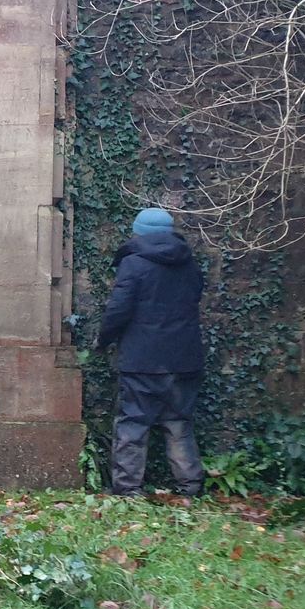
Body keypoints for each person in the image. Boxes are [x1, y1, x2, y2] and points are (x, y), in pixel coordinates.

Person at [96, 207, 207, 497]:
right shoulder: (190, 265)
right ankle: (190, 487)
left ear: (139, 232)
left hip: (142, 359)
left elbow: (118, 309)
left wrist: (103, 339)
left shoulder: (133, 264)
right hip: (184, 359)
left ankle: (129, 489)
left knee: (133, 422)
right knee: (178, 423)